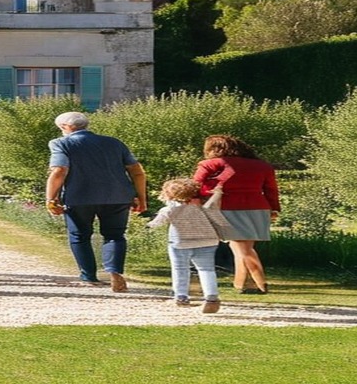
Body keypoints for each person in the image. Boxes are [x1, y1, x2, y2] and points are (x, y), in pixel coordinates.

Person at [45, 111, 146, 292]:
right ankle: (114, 271)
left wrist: (51, 199)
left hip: (80, 196)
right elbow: (136, 171)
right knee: (115, 235)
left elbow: (59, 170)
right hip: (118, 196)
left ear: (65, 127)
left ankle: (88, 275)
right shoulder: (114, 143)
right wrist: (141, 198)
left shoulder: (60, 143)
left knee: (79, 236)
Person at [193, 134, 280, 294]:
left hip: (228, 207)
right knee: (241, 247)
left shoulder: (210, 164)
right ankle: (242, 284)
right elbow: (271, 190)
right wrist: (274, 209)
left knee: (242, 249)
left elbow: (196, 185)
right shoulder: (262, 166)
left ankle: (260, 283)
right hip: (258, 208)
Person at [147, 177, 232, 313]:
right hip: (208, 241)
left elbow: (156, 223)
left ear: (169, 194)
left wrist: (148, 225)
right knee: (207, 269)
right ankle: (211, 297)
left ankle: (181, 297)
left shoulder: (169, 209)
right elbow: (219, 220)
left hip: (180, 243)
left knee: (180, 269)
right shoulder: (205, 206)